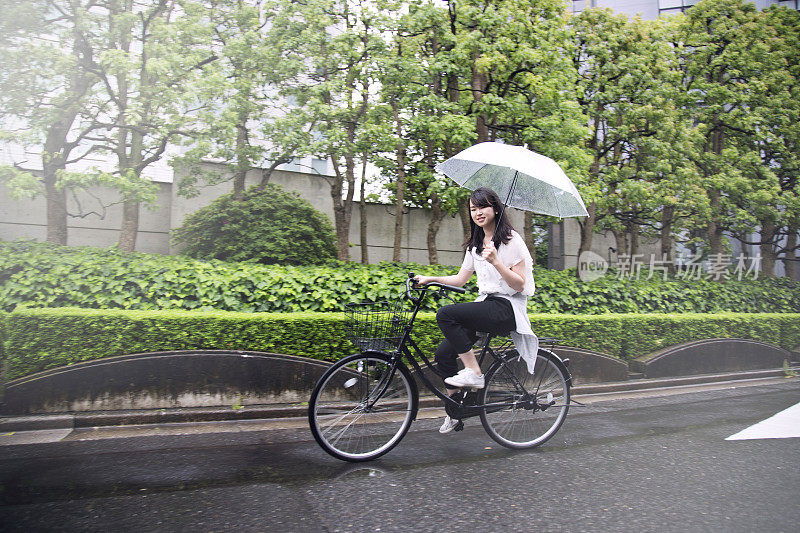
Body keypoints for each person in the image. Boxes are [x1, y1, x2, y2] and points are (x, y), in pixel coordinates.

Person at [414, 187, 538, 434]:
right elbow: (461, 279)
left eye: (482, 207)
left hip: (507, 307)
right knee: (443, 355)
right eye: (473, 209)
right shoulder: (475, 244)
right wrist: (430, 278)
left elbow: (520, 284)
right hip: (487, 304)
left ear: (495, 208)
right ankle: (455, 409)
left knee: (446, 314)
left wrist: (497, 262)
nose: (477, 213)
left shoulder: (511, 240)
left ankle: (474, 372)